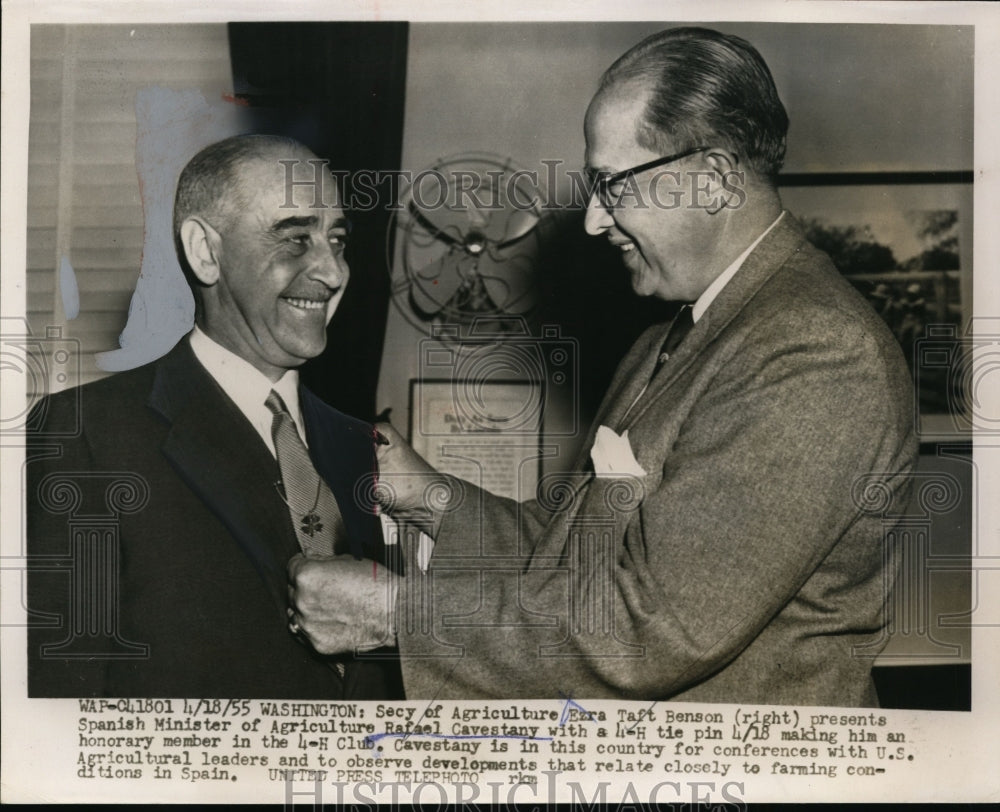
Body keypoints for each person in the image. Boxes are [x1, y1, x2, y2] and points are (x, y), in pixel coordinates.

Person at [289, 28, 917, 705]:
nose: (594, 220)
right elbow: (574, 558)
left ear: (713, 179)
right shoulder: (672, 335)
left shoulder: (814, 351)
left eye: (613, 185)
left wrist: (392, 615)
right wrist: (431, 498)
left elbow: (651, 627)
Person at [27, 134, 403, 699]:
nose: (332, 272)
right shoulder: (86, 435)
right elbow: (59, 700)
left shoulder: (367, 448)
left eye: (338, 241)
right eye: (295, 238)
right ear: (205, 251)